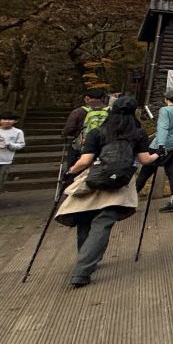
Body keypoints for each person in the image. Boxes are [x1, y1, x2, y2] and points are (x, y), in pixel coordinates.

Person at [56, 95, 159, 287]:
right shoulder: (137, 134)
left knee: (85, 219)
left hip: (95, 179)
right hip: (121, 183)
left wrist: (69, 173)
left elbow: (85, 161)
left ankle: (83, 263)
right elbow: (145, 160)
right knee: (103, 223)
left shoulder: (98, 132)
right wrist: (158, 154)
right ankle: (83, 270)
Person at [64, 87, 109, 159]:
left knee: (73, 155)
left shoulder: (78, 112)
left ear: (87, 98)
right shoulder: (110, 111)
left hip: (84, 144)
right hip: (104, 146)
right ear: (103, 99)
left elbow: (69, 129)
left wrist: (65, 134)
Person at [0, 111, 25, 192]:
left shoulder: (18, 132)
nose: (7, 121)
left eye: (10, 119)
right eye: (4, 119)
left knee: (1, 180)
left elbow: (21, 145)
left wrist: (9, 144)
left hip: (5, 160)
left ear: (15, 121)